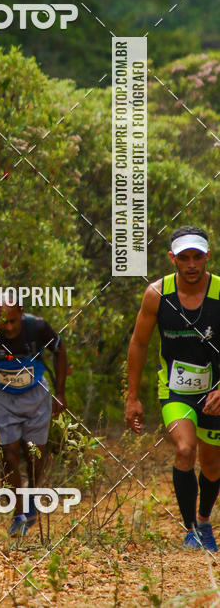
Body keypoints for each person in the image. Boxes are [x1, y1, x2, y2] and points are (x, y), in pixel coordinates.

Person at [126, 225, 220, 551]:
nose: (191, 264)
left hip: (216, 390)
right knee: (184, 450)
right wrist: (132, 397)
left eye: (197, 257)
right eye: (184, 258)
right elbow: (138, 343)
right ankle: (191, 529)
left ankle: (205, 520)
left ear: (207, 256)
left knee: (211, 465)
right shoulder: (156, 295)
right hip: (175, 389)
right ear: (173, 259)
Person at [0, 296, 67, 535]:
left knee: (34, 453)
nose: (9, 327)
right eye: (3, 322)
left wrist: (60, 393)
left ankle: (31, 494)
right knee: (8, 454)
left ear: (21, 313)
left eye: (13, 321)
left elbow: (60, 352)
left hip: (35, 395)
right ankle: (19, 514)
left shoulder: (38, 327)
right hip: (0, 397)